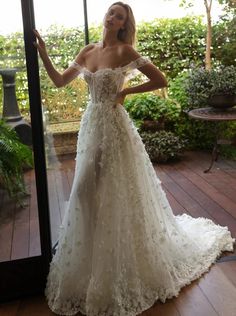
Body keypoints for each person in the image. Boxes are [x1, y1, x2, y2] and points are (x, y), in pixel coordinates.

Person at [33, 2, 234, 316]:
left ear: (125, 24)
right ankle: (90, 266)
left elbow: (161, 80)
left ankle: (118, 265)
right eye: (111, 12)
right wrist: (43, 53)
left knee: (112, 192)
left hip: (114, 128)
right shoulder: (87, 50)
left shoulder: (126, 52)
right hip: (91, 127)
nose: (112, 17)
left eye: (119, 15)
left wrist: (126, 92)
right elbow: (60, 81)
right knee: (87, 192)